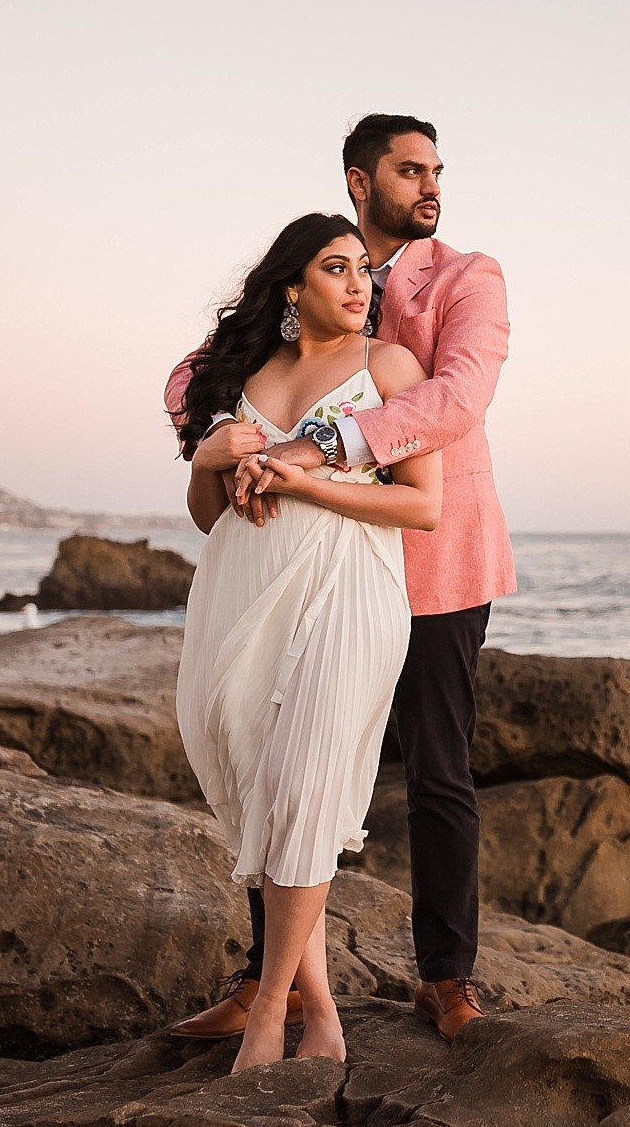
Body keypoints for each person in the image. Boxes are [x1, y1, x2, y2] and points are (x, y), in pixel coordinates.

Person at [166, 114, 515, 1044]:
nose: (430, 184)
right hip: (294, 562)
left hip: (430, 562)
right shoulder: (316, 261)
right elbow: (194, 375)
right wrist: (221, 441)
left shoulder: (466, 280)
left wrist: (313, 444)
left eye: (437, 169)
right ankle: (263, 980)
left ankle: (445, 976)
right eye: (409, 170)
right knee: (277, 747)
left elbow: (457, 398)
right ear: (361, 182)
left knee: (438, 768)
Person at [172, 212, 441, 1073]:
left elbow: (421, 506)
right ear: (294, 288)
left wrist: (312, 483)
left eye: (365, 269)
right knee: (269, 788)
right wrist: (208, 456)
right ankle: (321, 1010)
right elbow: (212, 518)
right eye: (337, 268)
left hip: (350, 589)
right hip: (243, 593)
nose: (362, 284)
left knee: (308, 781)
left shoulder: (388, 368)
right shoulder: (247, 375)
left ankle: (267, 1020)